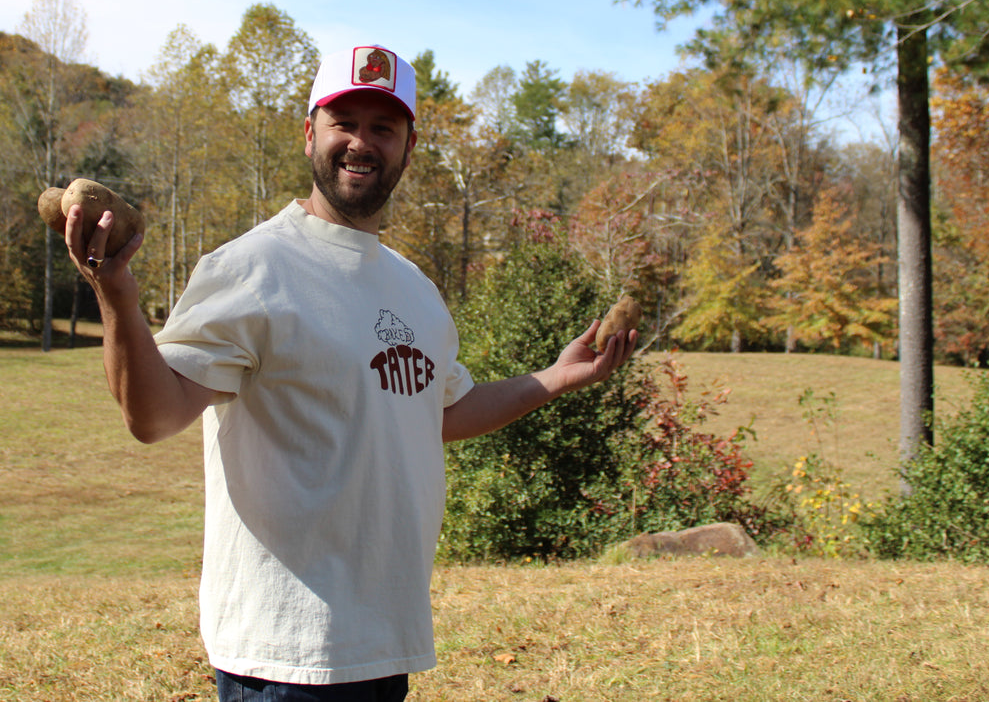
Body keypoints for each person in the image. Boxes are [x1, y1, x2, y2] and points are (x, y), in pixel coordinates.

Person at [64, 45, 638, 702]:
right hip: (284, 655)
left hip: (381, 643)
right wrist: (116, 295)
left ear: (408, 147)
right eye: (344, 122)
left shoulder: (414, 290)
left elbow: (439, 413)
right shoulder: (250, 268)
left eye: (382, 127)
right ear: (310, 132)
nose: (360, 142)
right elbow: (153, 415)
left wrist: (556, 378)